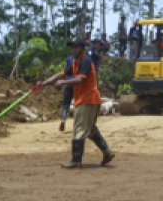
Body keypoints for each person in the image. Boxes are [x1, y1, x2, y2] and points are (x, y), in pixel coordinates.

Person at [46, 39, 115, 169]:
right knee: (90, 129)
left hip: (87, 99)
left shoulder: (85, 61)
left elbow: (79, 80)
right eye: (72, 47)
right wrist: (45, 83)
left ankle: (76, 160)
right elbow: (61, 74)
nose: (73, 50)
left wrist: (63, 83)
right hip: (89, 99)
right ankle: (107, 152)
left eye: (76, 47)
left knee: (79, 129)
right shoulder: (74, 63)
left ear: (82, 49)